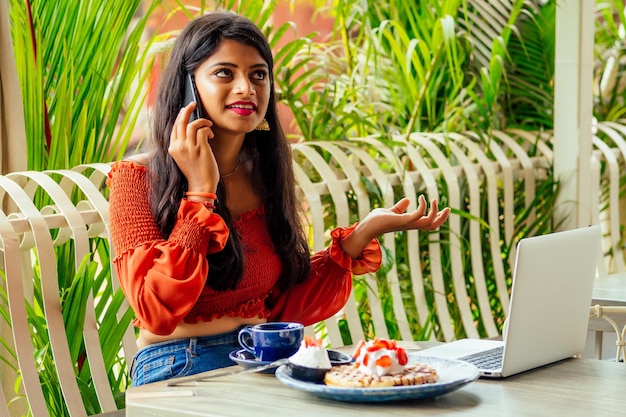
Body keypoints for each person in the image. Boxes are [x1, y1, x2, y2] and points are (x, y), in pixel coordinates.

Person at [107, 11, 450, 387]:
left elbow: (281, 300)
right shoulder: (136, 178)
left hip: (265, 359)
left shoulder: (263, 173)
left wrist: (362, 234)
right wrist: (200, 192)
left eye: (258, 74)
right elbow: (154, 307)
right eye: (224, 73)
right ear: (188, 87)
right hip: (180, 365)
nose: (246, 88)